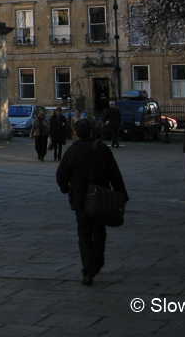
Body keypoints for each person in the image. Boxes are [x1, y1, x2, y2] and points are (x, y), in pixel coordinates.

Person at [56, 118, 129, 286]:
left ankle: (87, 270)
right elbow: (114, 173)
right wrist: (121, 195)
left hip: (81, 198)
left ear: (75, 133)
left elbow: (61, 174)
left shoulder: (72, 151)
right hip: (100, 197)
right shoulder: (102, 149)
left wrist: (65, 188)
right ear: (91, 132)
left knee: (84, 233)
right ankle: (97, 262)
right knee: (99, 231)